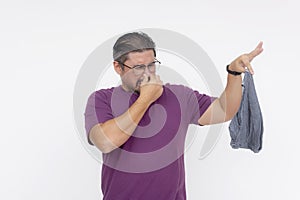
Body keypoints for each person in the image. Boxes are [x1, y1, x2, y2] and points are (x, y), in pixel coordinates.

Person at [84, 32, 263, 200]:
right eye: (139, 67)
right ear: (118, 67)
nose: (147, 73)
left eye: (152, 65)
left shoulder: (179, 96)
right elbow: (106, 142)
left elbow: (224, 110)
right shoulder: (102, 99)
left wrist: (233, 73)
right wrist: (146, 98)